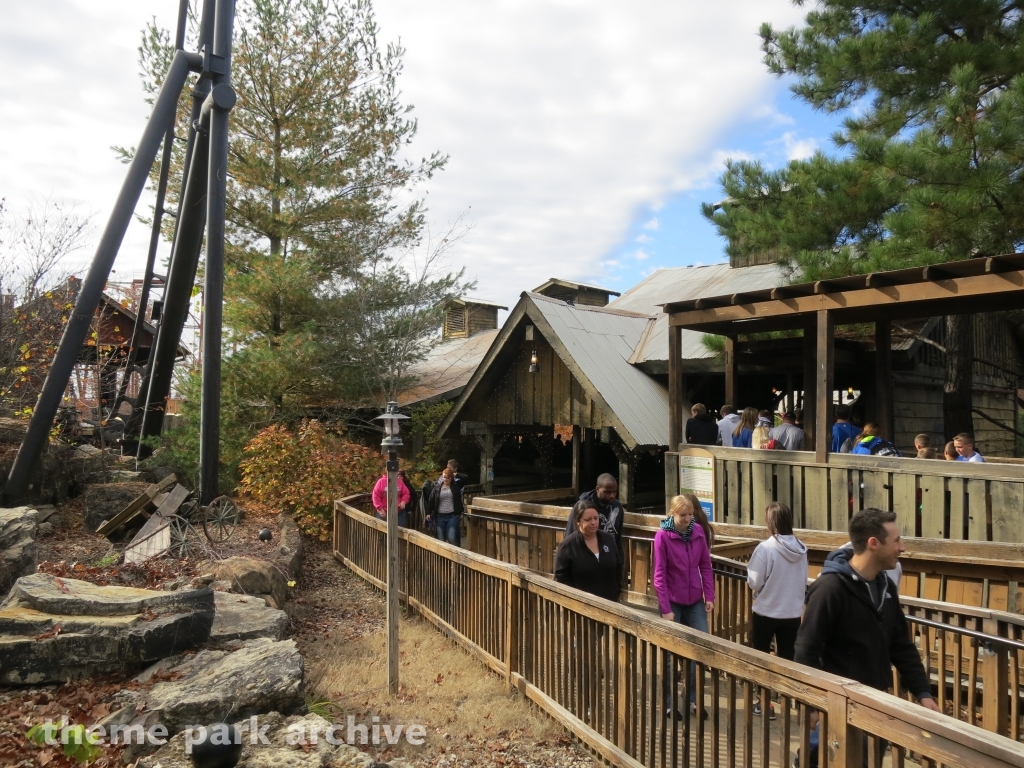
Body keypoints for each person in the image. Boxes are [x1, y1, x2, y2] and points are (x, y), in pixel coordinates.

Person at [794, 508, 938, 766]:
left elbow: (901, 645)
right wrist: (810, 703)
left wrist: (923, 692)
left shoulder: (886, 587)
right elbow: (806, 649)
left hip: (874, 702)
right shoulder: (830, 589)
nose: (902, 548)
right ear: (873, 543)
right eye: (896, 541)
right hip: (838, 707)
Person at [653, 493, 715, 719]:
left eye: (690, 514)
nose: (688, 519)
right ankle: (668, 703)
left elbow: (706, 566)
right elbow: (658, 575)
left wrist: (709, 595)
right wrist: (665, 608)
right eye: (683, 515)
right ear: (672, 514)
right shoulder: (663, 536)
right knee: (670, 652)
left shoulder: (698, 532)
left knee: (700, 647)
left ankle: (692, 698)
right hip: (672, 601)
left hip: (694, 599)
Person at [747, 502, 807, 720]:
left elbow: (754, 581)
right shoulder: (801, 548)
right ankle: (793, 704)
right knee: (789, 659)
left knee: (761, 658)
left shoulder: (765, 548)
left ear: (770, 522)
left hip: (766, 610)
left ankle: (765, 704)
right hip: (791, 612)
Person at [554, 499, 622, 602]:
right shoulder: (567, 546)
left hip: (610, 604)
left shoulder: (608, 539)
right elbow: (560, 578)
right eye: (588, 519)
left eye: (596, 518)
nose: (593, 522)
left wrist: (616, 590)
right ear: (578, 521)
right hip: (581, 607)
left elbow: (618, 565)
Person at [563, 474, 624, 555]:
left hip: (608, 555)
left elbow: (618, 537)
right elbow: (570, 533)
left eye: (614, 491)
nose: (612, 495)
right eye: (607, 492)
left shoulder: (617, 506)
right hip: (585, 554)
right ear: (597, 489)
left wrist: (619, 559)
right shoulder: (582, 506)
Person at [425, 467, 464, 546]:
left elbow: (466, 478)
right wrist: (428, 512)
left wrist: (456, 474)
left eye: (448, 477)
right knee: (441, 540)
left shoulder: (456, 486)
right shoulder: (437, 488)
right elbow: (431, 500)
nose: (445, 479)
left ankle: (457, 554)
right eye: (444, 477)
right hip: (440, 516)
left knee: (451, 538)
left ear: (451, 478)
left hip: (453, 516)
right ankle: (443, 558)